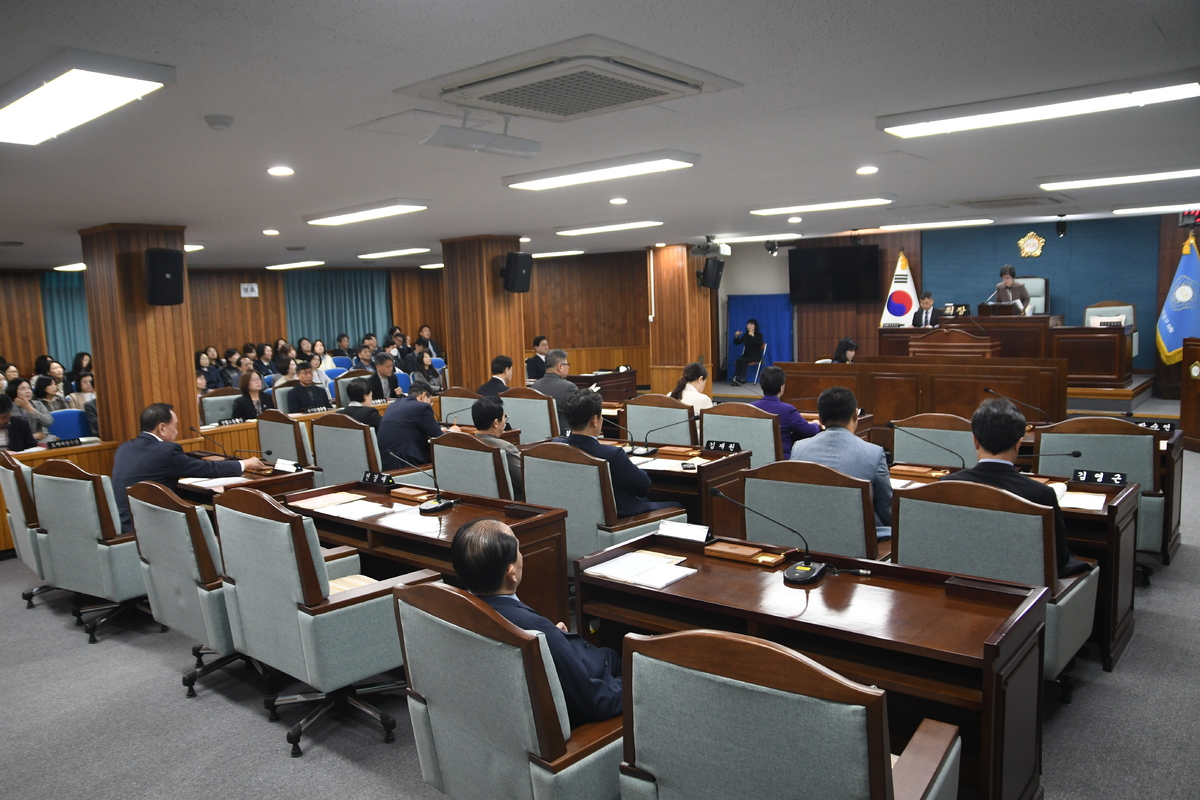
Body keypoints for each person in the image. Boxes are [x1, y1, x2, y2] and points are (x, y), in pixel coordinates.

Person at [450, 519, 621, 726]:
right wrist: (638, 685)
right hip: (589, 694)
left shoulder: (455, 610)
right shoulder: (536, 630)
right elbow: (598, 702)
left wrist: (554, 640)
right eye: (518, 549)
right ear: (512, 573)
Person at [939, 398, 1091, 577]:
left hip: (957, 579)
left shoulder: (946, 485)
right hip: (1023, 587)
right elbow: (1059, 559)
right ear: (1019, 443)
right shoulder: (1042, 494)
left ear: (975, 440)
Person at [110, 403, 265, 532]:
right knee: (212, 521)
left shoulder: (124, 448)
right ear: (162, 428)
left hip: (126, 524)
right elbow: (205, 468)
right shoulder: (166, 451)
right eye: (175, 426)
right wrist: (244, 464)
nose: (176, 432)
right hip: (151, 529)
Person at [555, 390, 678, 516]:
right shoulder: (612, 455)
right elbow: (643, 486)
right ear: (595, 420)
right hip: (619, 517)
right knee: (678, 505)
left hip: (572, 514)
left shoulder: (556, 446)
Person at [790, 387, 891, 539]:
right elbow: (886, 507)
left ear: (820, 419)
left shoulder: (799, 448)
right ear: (855, 415)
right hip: (859, 538)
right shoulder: (874, 453)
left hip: (810, 534)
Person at [378, 380, 458, 468]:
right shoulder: (422, 407)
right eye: (430, 400)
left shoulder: (393, 405)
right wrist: (451, 431)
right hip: (405, 462)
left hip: (385, 460)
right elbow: (439, 437)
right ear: (423, 396)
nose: (430, 404)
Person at [752, 366, 820, 455]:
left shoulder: (750, 408)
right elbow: (810, 431)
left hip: (756, 457)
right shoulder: (788, 410)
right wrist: (816, 424)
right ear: (782, 387)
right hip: (783, 460)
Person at [471, 395, 523, 500]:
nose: (505, 422)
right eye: (504, 418)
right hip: (511, 503)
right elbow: (524, 483)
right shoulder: (506, 448)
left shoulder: (467, 444)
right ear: (495, 423)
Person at [530, 349, 577, 435]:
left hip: (538, 435)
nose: (568, 367)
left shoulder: (534, 386)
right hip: (564, 436)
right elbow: (579, 416)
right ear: (560, 367)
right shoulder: (569, 388)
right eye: (567, 365)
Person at [731, 319, 764, 386]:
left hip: (755, 356)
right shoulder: (746, 335)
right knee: (739, 360)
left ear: (755, 326)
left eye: (751, 324)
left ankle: (743, 378)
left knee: (744, 360)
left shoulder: (759, 335)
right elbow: (737, 343)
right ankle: (736, 377)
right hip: (746, 355)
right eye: (748, 324)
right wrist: (736, 336)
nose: (749, 326)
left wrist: (752, 336)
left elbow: (759, 344)